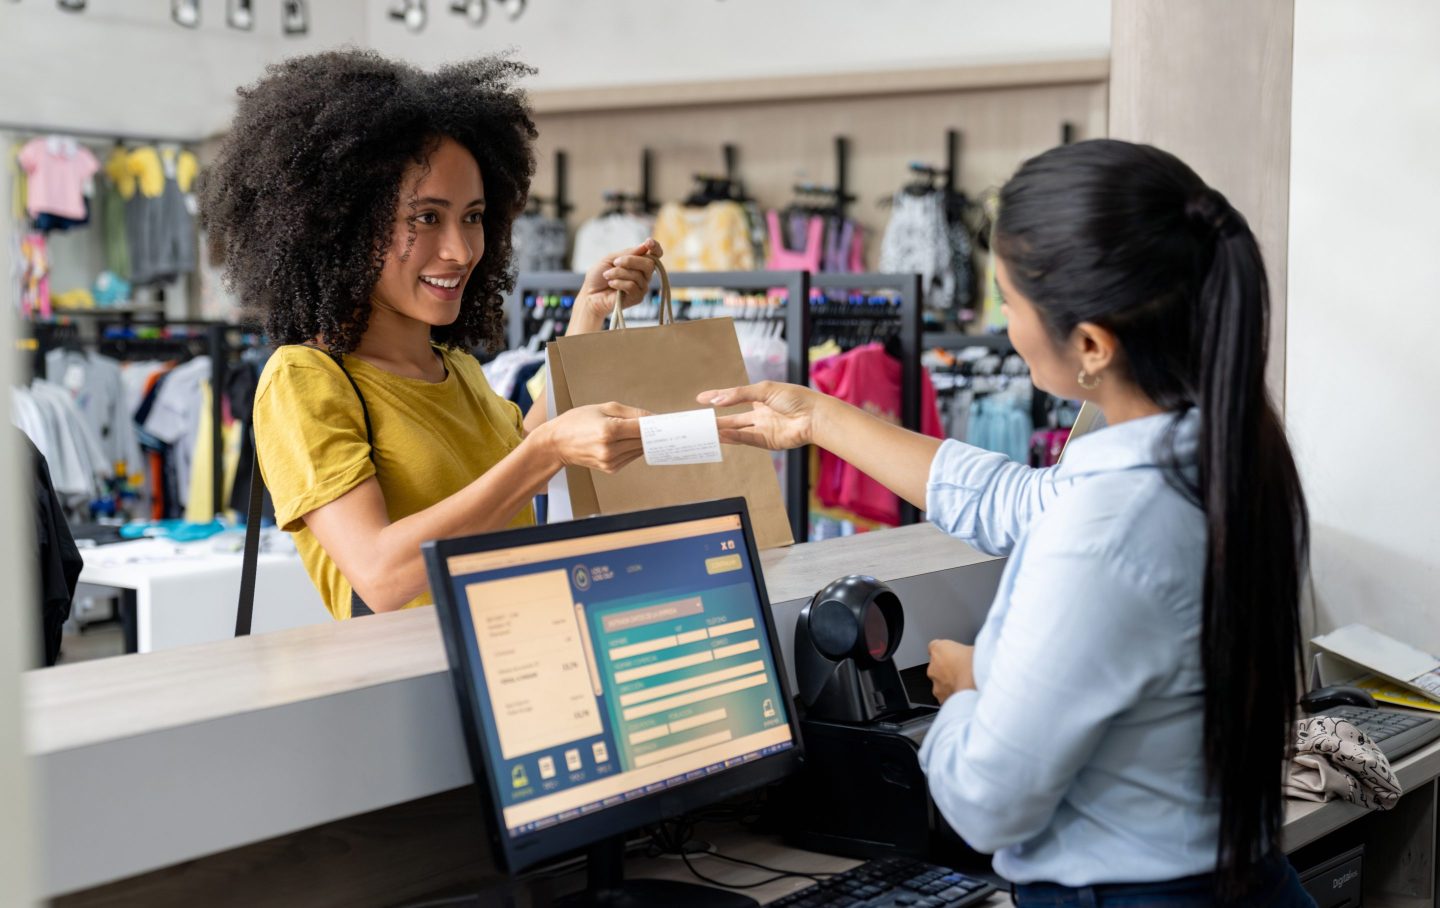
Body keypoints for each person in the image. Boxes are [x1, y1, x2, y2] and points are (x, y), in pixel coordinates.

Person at [700, 140, 1314, 905]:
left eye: (1010, 301)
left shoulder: (1107, 526)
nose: (1008, 326)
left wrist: (969, 690)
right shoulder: (1226, 459)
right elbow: (1010, 500)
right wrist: (820, 415)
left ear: (1090, 344)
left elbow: (987, 803)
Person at [201, 50, 661, 619]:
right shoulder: (305, 380)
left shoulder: (454, 366)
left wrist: (588, 314)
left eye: (473, 217)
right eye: (425, 218)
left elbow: (515, 460)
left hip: (524, 664)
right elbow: (381, 574)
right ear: (342, 224)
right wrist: (546, 450)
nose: (461, 250)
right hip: (414, 693)